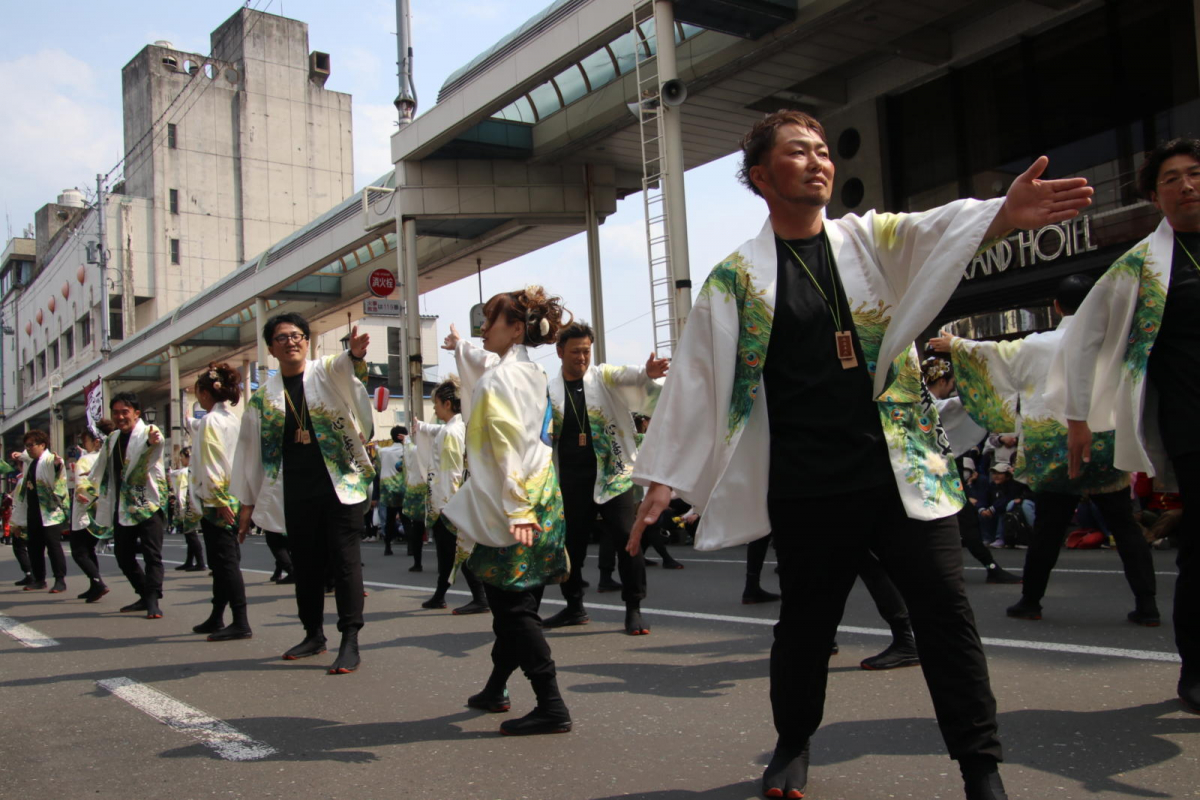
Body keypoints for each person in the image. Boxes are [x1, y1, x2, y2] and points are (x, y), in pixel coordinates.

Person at [629, 109, 1092, 800]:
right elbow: (696, 378)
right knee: (806, 628)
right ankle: (792, 743)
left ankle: (981, 768)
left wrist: (1002, 214)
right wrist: (663, 478)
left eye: (822, 150)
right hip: (808, 482)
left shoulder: (869, 241)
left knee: (946, 617)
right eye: (798, 151)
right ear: (761, 176)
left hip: (905, 467)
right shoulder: (737, 279)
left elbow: (933, 227)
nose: (818, 161)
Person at [1050, 138, 1200, 715]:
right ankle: (1196, 670)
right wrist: (1078, 419)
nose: (1186, 185)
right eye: (1171, 179)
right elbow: (1083, 337)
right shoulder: (1142, 265)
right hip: (1191, 426)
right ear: (1155, 197)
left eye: (1194, 173)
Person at [930, 275, 1157, 623]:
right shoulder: (1113, 342)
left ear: (1057, 307)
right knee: (1124, 526)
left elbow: (996, 353)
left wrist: (957, 344)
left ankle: (1031, 601)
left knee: (1049, 528)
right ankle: (1147, 605)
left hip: (1054, 450)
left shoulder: (1037, 345)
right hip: (1103, 442)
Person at [442, 287, 572, 736]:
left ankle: (551, 705)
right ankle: (496, 687)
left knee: (513, 610)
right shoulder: (533, 372)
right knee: (519, 604)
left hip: (512, 504)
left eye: (489, 320)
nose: (483, 327)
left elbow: (504, 445)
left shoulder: (498, 380)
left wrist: (516, 509)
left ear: (516, 328)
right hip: (544, 496)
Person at [232, 313, 376, 674]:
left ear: (307, 342)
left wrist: (355, 355)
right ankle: (313, 634)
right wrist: (247, 502)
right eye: (282, 338)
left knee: (344, 562)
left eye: (297, 335)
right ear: (271, 348)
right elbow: (250, 453)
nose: (291, 342)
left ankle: (350, 639)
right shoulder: (262, 399)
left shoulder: (324, 371)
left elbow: (344, 366)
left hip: (340, 485)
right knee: (306, 567)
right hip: (294, 491)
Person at [541, 321, 667, 636]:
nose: (582, 357)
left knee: (627, 538)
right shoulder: (549, 390)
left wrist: (647, 373)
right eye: (575, 352)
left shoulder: (603, 377)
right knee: (570, 547)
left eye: (586, 351)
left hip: (614, 475)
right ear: (560, 352)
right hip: (570, 480)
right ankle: (574, 607)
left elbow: (628, 375)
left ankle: (634, 608)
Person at [920, 357, 1022, 584]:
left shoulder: (917, 404)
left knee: (951, 522)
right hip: (938, 469)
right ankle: (987, 567)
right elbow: (964, 404)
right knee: (962, 522)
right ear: (943, 381)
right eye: (951, 382)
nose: (952, 387)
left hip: (930, 470)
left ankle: (980, 567)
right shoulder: (933, 406)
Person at [89, 392, 168, 618]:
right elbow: (101, 466)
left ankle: (152, 600)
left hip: (147, 502)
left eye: (125, 412)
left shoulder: (148, 432)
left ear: (136, 413)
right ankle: (144, 593)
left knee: (152, 554)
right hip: (123, 505)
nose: (120, 417)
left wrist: (153, 442)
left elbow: (156, 445)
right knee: (123, 554)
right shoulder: (112, 439)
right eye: (116, 413)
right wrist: (89, 483)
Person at [415, 376, 489, 614]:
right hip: (458, 499)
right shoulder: (460, 427)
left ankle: (480, 597)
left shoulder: (450, 432)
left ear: (447, 404)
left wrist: (446, 507)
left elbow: (450, 473)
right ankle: (440, 595)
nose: (435, 409)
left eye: (436, 404)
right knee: (450, 553)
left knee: (457, 551)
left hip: (448, 502)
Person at [190, 362, 252, 642]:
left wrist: (217, 498)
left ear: (205, 393)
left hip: (220, 500)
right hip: (234, 494)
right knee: (223, 561)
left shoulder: (211, 421)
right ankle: (217, 615)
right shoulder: (232, 419)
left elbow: (213, 461)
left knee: (225, 562)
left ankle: (240, 620)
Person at [10, 430, 70, 594]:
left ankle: (60, 580)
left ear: (42, 445)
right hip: (33, 511)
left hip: (50, 512)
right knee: (34, 547)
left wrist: (58, 464)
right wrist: (19, 455)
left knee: (53, 546)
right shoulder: (31, 461)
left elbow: (56, 466)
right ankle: (39, 579)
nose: (28, 448)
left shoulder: (48, 459)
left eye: (31, 445)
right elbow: (25, 456)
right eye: (26, 446)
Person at [70, 422, 115, 602]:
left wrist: (81, 493)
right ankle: (94, 584)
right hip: (102, 509)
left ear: (96, 442)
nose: (84, 444)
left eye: (85, 441)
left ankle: (98, 583)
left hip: (85, 511)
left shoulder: (85, 460)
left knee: (79, 551)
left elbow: (82, 485)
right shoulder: (107, 458)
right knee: (89, 549)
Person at [169, 448, 207, 573]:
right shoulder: (195, 470)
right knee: (189, 534)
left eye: (182, 457)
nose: (181, 459)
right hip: (194, 503)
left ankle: (200, 562)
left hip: (188, 505)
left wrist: (181, 507)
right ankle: (190, 561)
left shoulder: (185, 472)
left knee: (190, 534)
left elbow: (181, 491)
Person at [402, 425, 431, 572]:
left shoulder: (414, 450)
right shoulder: (434, 449)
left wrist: (407, 438)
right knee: (440, 532)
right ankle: (443, 565)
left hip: (415, 495)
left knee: (417, 530)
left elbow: (407, 450)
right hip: (433, 492)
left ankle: (417, 563)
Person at [377, 426, 407, 556]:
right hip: (404, 489)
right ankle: (411, 547)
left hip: (389, 490)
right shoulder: (409, 451)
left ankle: (387, 546)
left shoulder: (384, 451)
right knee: (406, 519)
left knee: (389, 519)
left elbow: (379, 464)